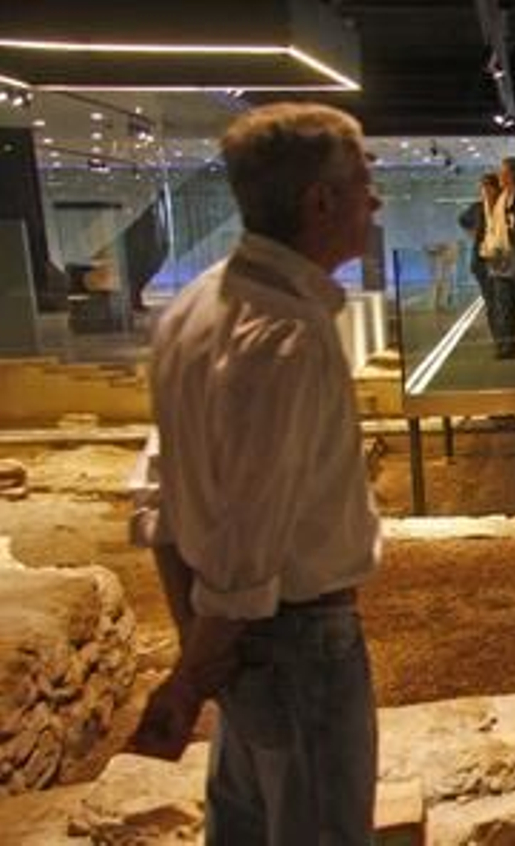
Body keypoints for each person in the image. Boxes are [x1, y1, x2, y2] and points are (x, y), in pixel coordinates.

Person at [131, 102, 382, 844]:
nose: (375, 200)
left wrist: (194, 651)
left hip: (241, 647)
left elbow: (163, 501)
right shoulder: (288, 339)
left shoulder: (195, 305)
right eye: (364, 181)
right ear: (321, 201)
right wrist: (190, 676)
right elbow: (246, 560)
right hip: (298, 647)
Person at [483, 157, 515, 358]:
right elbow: (494, 227)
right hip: (501, 259)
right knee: (505, 305)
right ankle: (510, 347)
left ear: (513, 174)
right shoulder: (502, 197)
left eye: (503, 171)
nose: (499, 175)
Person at [458, 173, 501, 306]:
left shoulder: (502, 206)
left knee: (501, 299)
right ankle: (496, 326)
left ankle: (502, 325)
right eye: (483, 186)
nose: (486, 189)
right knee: (490, 299)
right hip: (481, 259)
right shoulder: (477, 207)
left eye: (489, 186)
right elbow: (462, 220)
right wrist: (473, 233)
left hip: (501, 258)